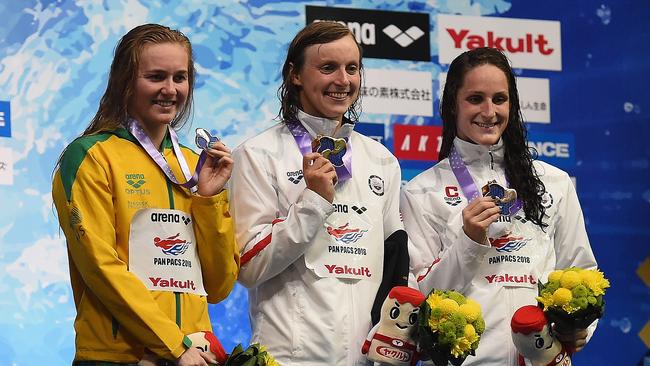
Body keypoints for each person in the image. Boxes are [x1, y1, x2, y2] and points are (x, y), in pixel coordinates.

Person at [52, 24, 239, 366]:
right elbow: (101, 267)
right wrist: (174, 344)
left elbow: (219, 286)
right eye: (156, 77)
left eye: (179, 77)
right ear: (125, 82)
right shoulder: (91, 156)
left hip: (194, 353)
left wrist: (209, 200)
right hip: (118, 358)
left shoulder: (194, 166)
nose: (170, 90)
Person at [401, 47, 598, 365]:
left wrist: (580, 327)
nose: (489, 111)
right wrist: (467, 240)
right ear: (453, 104)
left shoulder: (555, 182)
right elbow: (420, 299)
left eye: (500, 99)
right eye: (475, 98)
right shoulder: (422, 191)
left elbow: (581, 271)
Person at [230, 21, 407, 365]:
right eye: (328, 68)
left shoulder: (381, 160)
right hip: (289, 358)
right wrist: (313, 202)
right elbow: (248, 267)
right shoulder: (258, 154)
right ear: (295, 75)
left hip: (364, 359)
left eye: (352, 68)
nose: (343, 80)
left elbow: (396, 267)